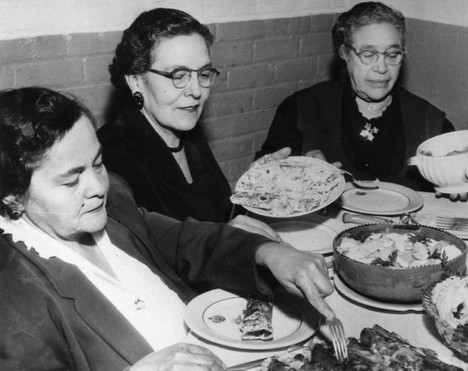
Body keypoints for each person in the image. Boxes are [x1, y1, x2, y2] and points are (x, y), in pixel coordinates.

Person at [0, 87, 335, 370]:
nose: (97, 186)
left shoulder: (112, 200)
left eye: (98, 163)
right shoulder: (13, 300)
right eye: (72, 179)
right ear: (14, 196)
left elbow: (182, 240)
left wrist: (267, 252)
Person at [255, 2, 467, 200]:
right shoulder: (300, 109)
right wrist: (292, 173)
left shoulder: (432, 122)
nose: (382, 68)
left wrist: (456, 188)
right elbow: (263, 184)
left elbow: (455, 195)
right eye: (369, 54)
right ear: (344, 53)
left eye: (392, 54)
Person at [98, 8, 282, 235]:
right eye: (178, 75)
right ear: (136, 81)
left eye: (203, 74)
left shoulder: (186, 132)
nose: (196, 92)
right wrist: (223, 239)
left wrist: (256, 188)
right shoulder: (111, 157)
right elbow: (144, 257)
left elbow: (219, 219)